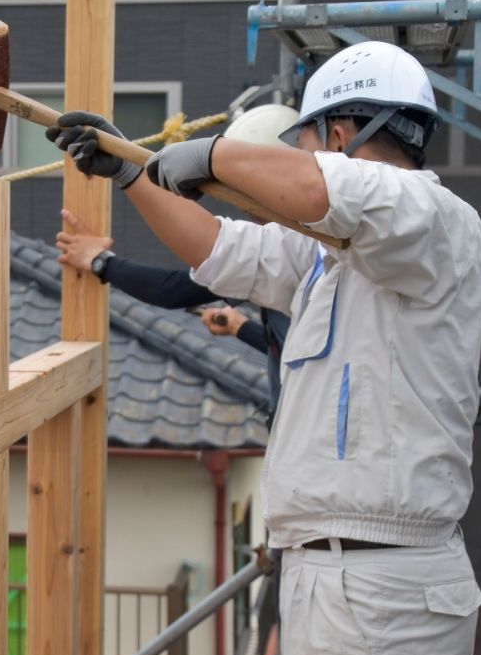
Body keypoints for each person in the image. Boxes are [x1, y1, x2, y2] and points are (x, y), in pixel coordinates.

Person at [47, 42, 481, 655]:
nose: (291, 158)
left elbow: (317, 187)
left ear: (340, 134)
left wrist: (214, 155)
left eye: (299, 140)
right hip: (340, 575)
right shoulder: (327, 254)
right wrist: (133, 177)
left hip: (379, 585)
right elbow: (221, 249)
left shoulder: (430, 217)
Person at [55, 104, 299, 419]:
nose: (243, 201)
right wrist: (241, 328)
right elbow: (286, 348)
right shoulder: (309, 245)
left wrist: (101, 262)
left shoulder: (302, 248)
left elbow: (176, 289)